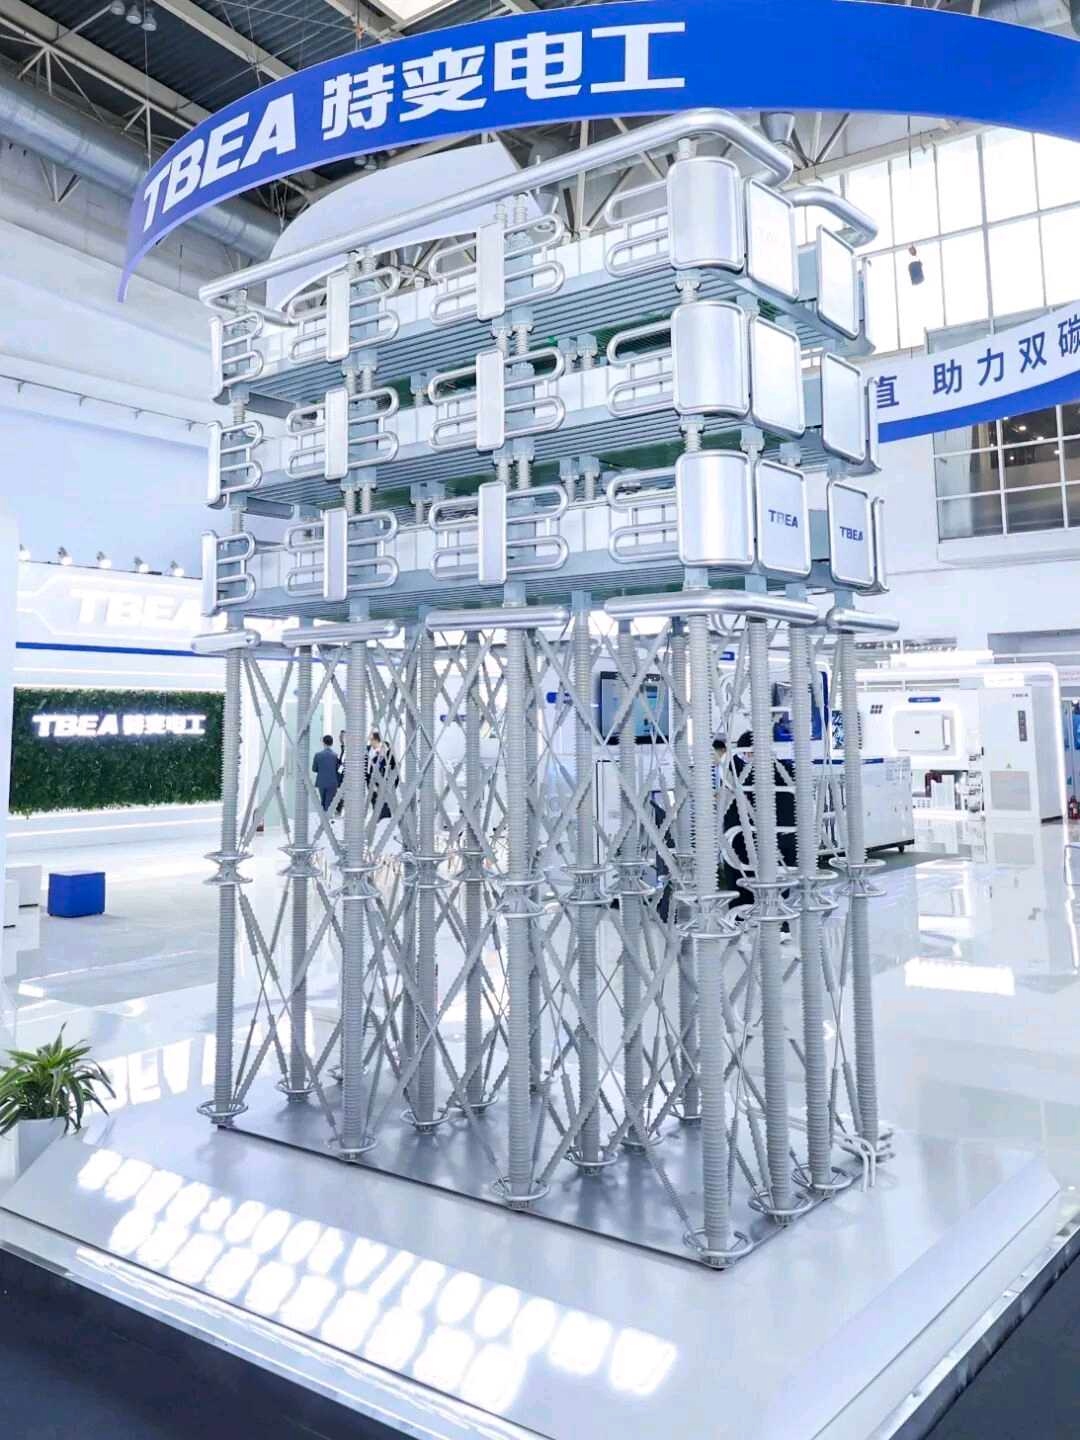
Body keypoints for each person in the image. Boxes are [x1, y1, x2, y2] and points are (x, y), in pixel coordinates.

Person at [366, 729, 398, 821]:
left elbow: (395, 773)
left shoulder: (390, 757)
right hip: (374, 788)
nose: (370, 742)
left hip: (385, 789)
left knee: (384, 810)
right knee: (376, 808)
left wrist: (391, 786)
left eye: (371, 740)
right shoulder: (373, 756)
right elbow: (370, 771)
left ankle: (383, 821)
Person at [312, 734, 340, 812]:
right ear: (332, 743)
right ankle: (327, 818)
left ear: (323, 743)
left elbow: (314, 769)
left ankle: (324, 817)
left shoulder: (318, 755)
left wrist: (322, 770)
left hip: (321, 782)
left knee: (323, 802)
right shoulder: (335, 756)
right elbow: (337, 769)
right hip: (332, 782)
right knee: (329, 803)